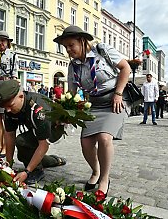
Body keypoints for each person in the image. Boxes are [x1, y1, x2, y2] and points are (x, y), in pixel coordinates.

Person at [54, 25, 131, 197]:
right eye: (65, 47)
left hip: (115, 101)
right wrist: (65, 114)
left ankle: (104, 178)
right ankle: (95, 171)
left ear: (82, 41)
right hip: (94, 104)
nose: (68, 50)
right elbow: (72, 93)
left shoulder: (102, 51)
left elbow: (126, 68)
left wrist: (118, 93)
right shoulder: (73, 66)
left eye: (71, 45)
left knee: (104, 138)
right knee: (86, 144)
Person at [0, 80, 67, 184]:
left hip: (53, 128)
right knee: (23, 155)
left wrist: (27, 171)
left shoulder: (38, 109)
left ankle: (37, 171)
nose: (8, 110)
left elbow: (43, 144)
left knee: (22, 142)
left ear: (21, 96)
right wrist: (8, 164)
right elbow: (9, 135)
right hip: (34, 127)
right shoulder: (9, 109)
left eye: (10, 105)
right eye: (4, 107)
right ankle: (54, 160)